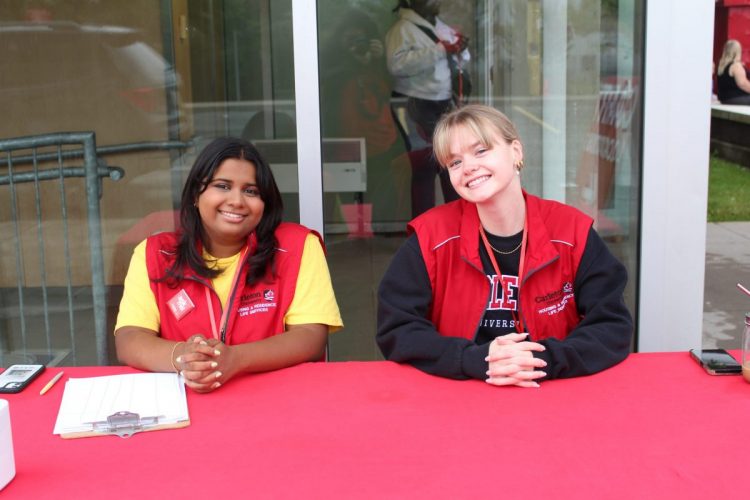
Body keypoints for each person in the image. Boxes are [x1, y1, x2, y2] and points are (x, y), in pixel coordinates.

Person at [376, 105, 633, 387]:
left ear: (516, 152)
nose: (469, 167)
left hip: (551, 390)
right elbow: (398, 328)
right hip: (462, 393)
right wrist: (473, 359)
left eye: (481, 150)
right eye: (455, 162)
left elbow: (611, 325)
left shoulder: (570, 231)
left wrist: (544, 359)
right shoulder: (431, 237)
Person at [115, 137, 343, 393]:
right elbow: (129, 338)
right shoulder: (155, 253)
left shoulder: (298, 247)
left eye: (251, 191)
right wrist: (184, 357)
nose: (237, 201)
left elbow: (311, 337)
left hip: (277, 398)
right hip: (185, 402)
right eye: (222, 186)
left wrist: (235, 359)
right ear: (195, 195)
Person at [386, 0, 470, 217]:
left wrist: (460, 48)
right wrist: (441, 49)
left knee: (450, 164)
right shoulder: (402, 29)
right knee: (424, 165)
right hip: (414, 103)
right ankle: (423, 231)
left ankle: (455, 226)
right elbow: (397, 66)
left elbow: (460, 58)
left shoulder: (438, 25)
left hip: (443, 102)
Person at [717, 39, 750, 105]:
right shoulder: (736, 66)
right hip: (737, 98)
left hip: (725, 99)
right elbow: (742, 84)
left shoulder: (722, 65)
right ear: (737, 51)